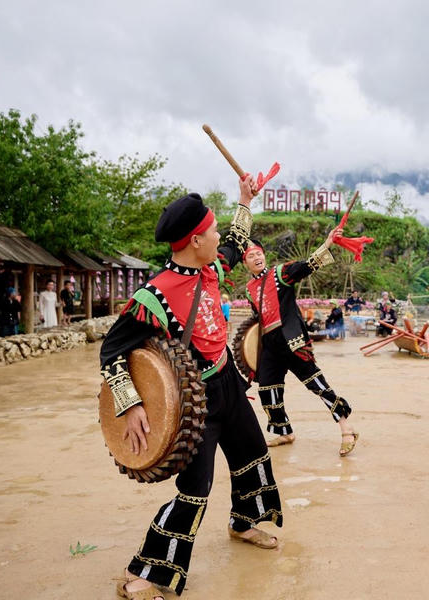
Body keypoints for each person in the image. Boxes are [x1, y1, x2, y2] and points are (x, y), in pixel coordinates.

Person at [99, 178, 282, 600]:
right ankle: (151, 570)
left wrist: (244, 200)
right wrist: (130, 405)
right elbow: (112, 350)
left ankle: (242, 523)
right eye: (212, 231)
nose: (220, 237)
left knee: (252, 451)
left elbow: (236, 240)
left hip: (230, 382)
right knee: (196, 486)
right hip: (193, 401)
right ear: (196, 240)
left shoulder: (210, 266)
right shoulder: (152, 296)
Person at [243, 229, 359, 455]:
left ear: (264, 255)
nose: (257, 258)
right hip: (270, 345)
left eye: (258, 253)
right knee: (267, 390)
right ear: (245, 263)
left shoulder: (281, 273)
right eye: (250, 256)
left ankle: (347, 428)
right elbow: (257, 320)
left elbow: (307, 265)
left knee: (317, 385)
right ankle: (284, 431)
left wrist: (327, 243)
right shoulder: (249, 290)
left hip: (291, 342)